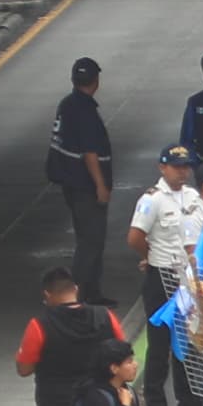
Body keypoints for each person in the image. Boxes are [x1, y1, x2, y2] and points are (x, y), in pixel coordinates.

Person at [47, 56, 117, 299]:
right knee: (91, 243)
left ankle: (91, 293)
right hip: (85, 187)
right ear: (95, 80)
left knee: (87, 240)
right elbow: (90, 153)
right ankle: (80, 296)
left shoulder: (67, 105)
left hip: (72, 183)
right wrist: (100, 186)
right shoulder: (84, 110)